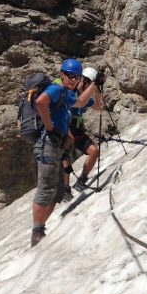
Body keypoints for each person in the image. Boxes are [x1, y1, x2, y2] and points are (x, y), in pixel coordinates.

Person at [30, 58, 97, 247]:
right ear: (62, 74)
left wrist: (94, 84)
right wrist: (50, 126)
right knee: (46, 188)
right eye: (70, 75)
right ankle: (37, 232)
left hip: (56, 143)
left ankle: (40, 228)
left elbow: (82, 101)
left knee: (57, 191)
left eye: (76, 77)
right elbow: (41, 102)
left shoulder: (66, 93)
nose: (73, 80)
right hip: (48, 144)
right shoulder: (57, 88)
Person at [60, 66, 105, 199]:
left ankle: (81, 181)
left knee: (94, 151)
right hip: (66, 129)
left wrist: (96, 88)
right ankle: (66, 188)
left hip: (78, 130)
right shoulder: (69, 93)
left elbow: (99, 107)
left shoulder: (85, 97)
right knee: (66, 157)